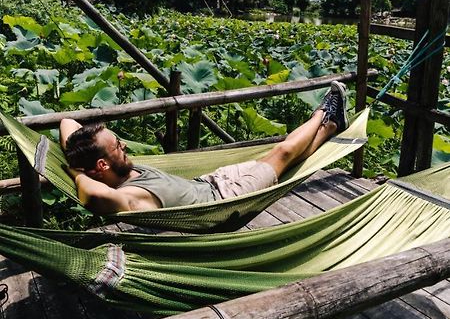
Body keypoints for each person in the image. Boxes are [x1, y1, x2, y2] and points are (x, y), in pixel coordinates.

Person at [60, 81, 349, 215]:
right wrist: (78, 174)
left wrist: (77, 162)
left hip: (212, 181)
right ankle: (324, 111)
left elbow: (67, 123)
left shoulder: (113, 170)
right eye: (118, 147)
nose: (124, 146)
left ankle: (332, 127)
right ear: (102, 166)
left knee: (287, 158)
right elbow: (95, 194)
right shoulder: (128, 197)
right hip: (225, 200)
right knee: (282, 153)